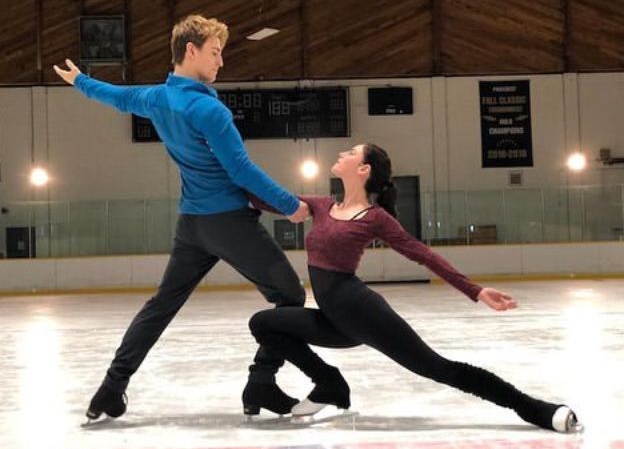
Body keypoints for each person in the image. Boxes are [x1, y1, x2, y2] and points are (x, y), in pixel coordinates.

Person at [53, 14, 310, 421]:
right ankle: (261, 382)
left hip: (192, 226)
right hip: (227, 221)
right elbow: (240, 170)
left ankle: (110, 389)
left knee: (161, 305)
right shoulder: (210, 111)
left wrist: (79, 81)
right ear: (190, 51)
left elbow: (116, 96)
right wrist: (290, 204)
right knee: (290, 295)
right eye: (214, 52)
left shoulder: (158, 97)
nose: (220, 62)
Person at [247, 143, 581, 433]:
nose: (341, 153)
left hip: (363, 314)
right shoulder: (321, 205)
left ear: (363, 169)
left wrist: (474, 290)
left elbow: (423, 255)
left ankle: (537, 409)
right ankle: (329, 382)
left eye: (350, 152)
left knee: (438, 369)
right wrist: (216, 179)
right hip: (335, 322)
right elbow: (271, 201)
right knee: (263, 324)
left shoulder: (375, 218)